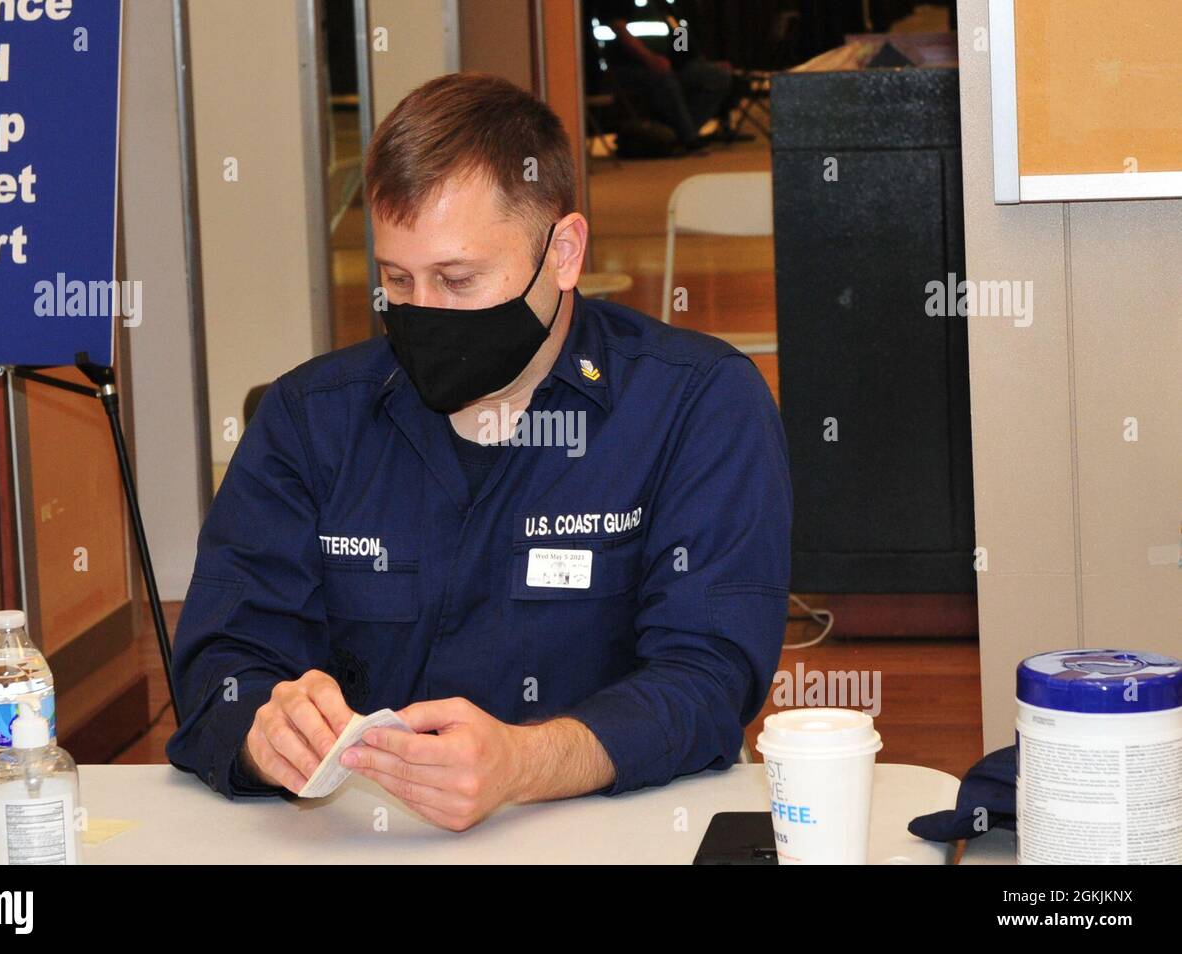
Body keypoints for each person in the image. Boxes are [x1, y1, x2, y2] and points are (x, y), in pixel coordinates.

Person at [166, 72, 791, 831]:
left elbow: (708, 679)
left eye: (457, 281)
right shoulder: (310, 419)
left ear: (562, 252)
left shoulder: (695, 405)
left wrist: (524, 764)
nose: (424, 315)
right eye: (398, 280)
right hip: (362, 837)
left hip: (608, 833)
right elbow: (217, 669)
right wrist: (266, 732)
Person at [588, 0, 734, 151]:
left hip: (671, 67)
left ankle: (672, 134)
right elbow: (619, 29)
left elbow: (680, 36)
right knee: (664, 78)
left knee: (717, 76)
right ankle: (688, 137)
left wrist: (702, 63)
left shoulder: (664, 4)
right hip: (629, 67)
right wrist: (649, 58)